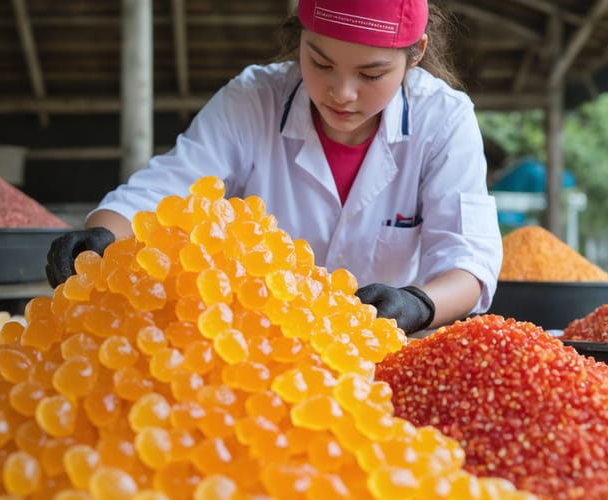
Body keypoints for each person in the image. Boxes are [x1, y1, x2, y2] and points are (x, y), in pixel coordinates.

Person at [46, 0, 502, 335]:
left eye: (371, 74)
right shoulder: (254, 100)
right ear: (299, 36)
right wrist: (105, 236)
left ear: (416, 53)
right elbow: (163, 191)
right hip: (262, 356)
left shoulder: (442, 118)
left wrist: (418, 303)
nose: (342, 92)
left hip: (386, 355)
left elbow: (468, 261)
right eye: (320, 62)